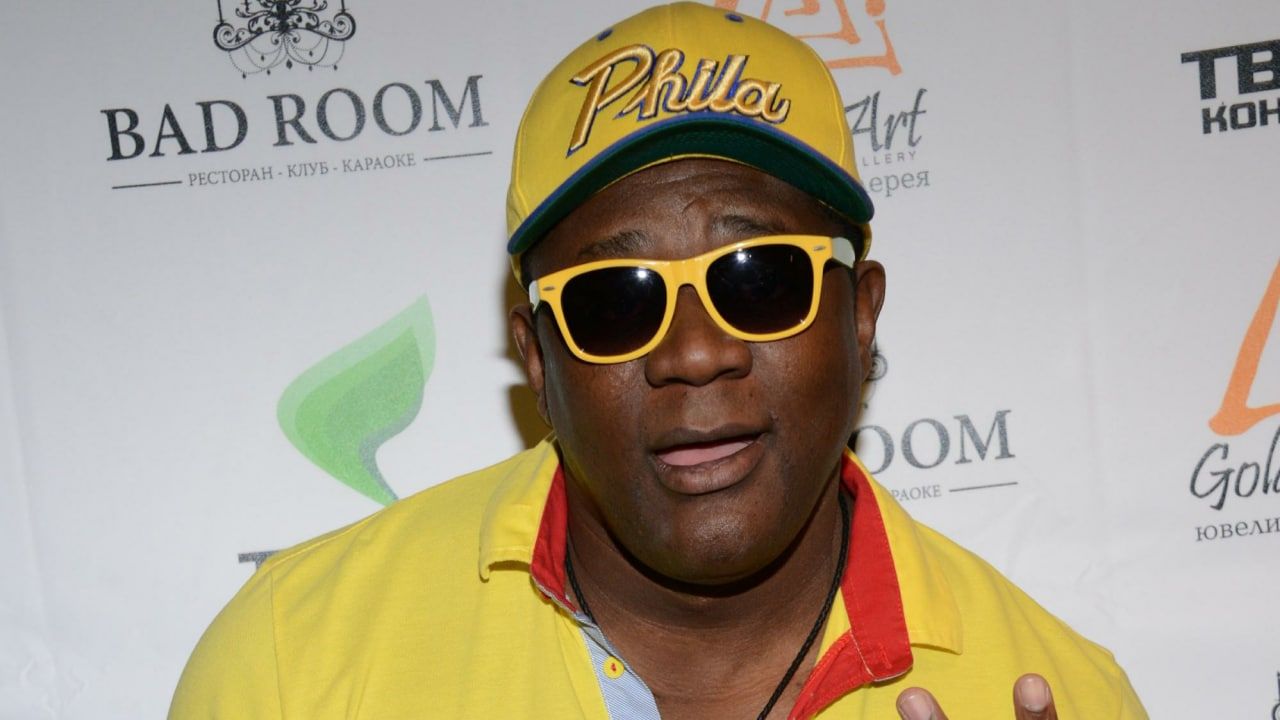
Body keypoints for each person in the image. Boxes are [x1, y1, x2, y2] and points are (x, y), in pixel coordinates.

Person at [170, 3, 1147, 718]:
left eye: (759, 279)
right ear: (536, 359)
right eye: (614, 302)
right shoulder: (294, 661)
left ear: (859, 317)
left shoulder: (1062, 693)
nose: (695, 352)